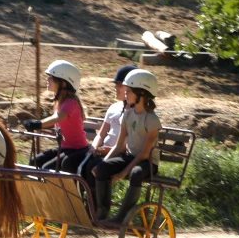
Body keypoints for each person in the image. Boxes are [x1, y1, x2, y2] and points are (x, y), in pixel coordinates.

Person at [92, 69, 162, 224]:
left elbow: (144, 154)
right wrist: (102, 163)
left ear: (141, 94)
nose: (125, 93)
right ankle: (103, 212)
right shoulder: (128, 115)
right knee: (102, 169)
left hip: (148, 162)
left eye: (129, 91)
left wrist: (124, 172)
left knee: (136, 173)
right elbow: (118, 145)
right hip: (130, 157)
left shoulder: (152, 120)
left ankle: (122, 217)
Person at [79, 64, 139, 199]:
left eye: (120, 84)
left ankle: (95, 208)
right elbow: (101, 133)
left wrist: (109, 150)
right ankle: (82, 203)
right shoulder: (113, 108)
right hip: (105, 151)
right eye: (116, 84)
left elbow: (133, 143)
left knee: (94, 166)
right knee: (79, 162)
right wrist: (94, 147)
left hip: (120, 154)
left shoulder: (136, 113)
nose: (116, 88)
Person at [22, 60, 89, 173]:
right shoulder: (60, 101)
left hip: (78, 149)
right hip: (65, 147)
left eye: (52, 77)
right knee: (34, 162)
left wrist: (38, 124)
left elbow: (58, 117)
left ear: (63, 83)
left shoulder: (71, 102)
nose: (47, 79)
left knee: (47, 169)